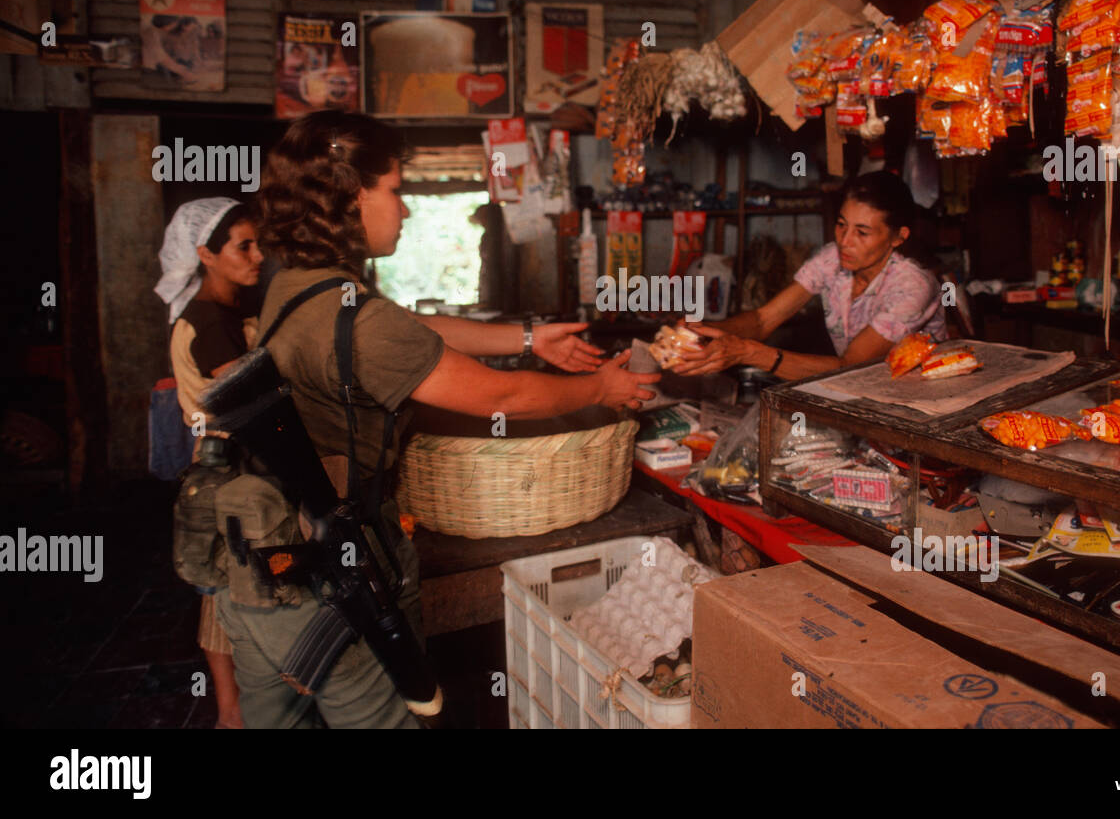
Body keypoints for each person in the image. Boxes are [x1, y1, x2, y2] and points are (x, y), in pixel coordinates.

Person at [218, 110, 658, 729]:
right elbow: (503, 399)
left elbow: (410, 330)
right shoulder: (355, 317)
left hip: (260, 575)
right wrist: (602, 385)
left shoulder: (296, 286)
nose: (405, 211)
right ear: (349, 197)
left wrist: (531, 338)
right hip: (327, 585)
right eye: (395, 192)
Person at [155, 197, 265, 729]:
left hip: (232, 466)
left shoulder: (225, 310)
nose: (258, 255)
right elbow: (251, 388)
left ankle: (234, 710)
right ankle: (232, 713)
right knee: (224, 589)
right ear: (205, 253)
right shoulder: (206, 318)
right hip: (226, 471)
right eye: (244, 246)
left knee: (225, 586)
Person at [675, 171, 946, 382]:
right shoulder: (831, 259)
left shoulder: (913, 286)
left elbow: (850, 366)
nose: (845, 241)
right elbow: (762, 319)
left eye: (862, 232)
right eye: (841, 225)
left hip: (920, 399)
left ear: (898, 237)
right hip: (864, 388)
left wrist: (748, 353)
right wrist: (704, 331)